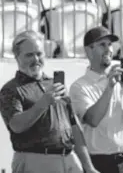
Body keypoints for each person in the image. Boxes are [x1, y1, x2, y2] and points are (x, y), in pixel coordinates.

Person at [0, 30, 98, 173]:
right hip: (36, 161)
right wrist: (43, 103)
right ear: (17, 57)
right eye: (29, 55)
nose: (36, 59)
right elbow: (16, 125)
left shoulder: (55, 85)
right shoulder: (10, 90)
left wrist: (88, 167)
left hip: (69, 160)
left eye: (39, 53)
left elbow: (74, 127)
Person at [69, 26, 123, 173]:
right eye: (102, 45)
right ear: (88, 51)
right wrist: (109, 87)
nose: (109, 49)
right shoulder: (79, 87)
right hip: (101, 164)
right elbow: (93, 119)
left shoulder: (122, 81)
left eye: (110, 44)